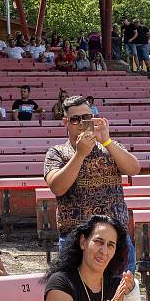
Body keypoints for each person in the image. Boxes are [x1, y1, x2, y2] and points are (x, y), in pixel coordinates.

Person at [44, 95, 140, 274]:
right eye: (75, 119)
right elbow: (57, 187)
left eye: (86, 117)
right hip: (77, 241)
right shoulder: (57, 152)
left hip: (115, 240)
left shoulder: (109, 146)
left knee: (122, 297)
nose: (81, 123)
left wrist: (107, 141)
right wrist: (80, 154)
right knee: (80, 298)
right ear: (65, 122)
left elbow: (134, 168)